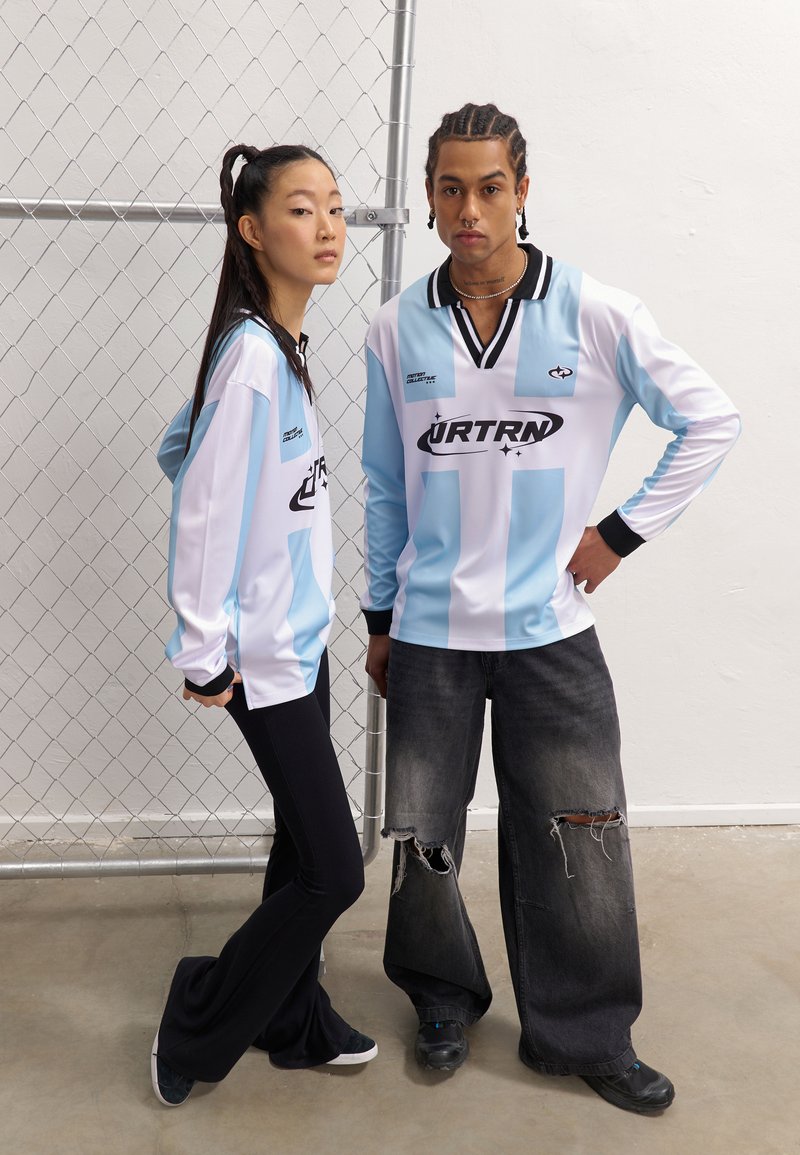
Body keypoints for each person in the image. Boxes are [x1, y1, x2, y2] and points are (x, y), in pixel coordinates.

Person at [360, 103, 740, 1115]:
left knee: (580, 837)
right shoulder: (395, 327)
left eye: (489, 187)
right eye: (450, 189)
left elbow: (710, 418)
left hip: (551, 634)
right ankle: (441, 999)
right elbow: (385, 485)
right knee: (424, 837)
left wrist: (618, 534)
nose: (469, 210)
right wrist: (379, 618)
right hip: (431, 633)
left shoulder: (595, 312)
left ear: (521, 191)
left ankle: (584, 1034)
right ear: (428, 196)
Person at [151, 143, 377, 1107]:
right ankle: (200, 1013)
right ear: (251, 230)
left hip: (298, 642)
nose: (327, 227)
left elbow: (183, 447)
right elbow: (203, 510)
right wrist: (206, 648)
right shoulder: (250, 358)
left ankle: (294, 1019)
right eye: (300, 208)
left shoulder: (275, 346)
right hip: (259, 658)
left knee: (298, 848)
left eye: (335, 207)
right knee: (335, 870)